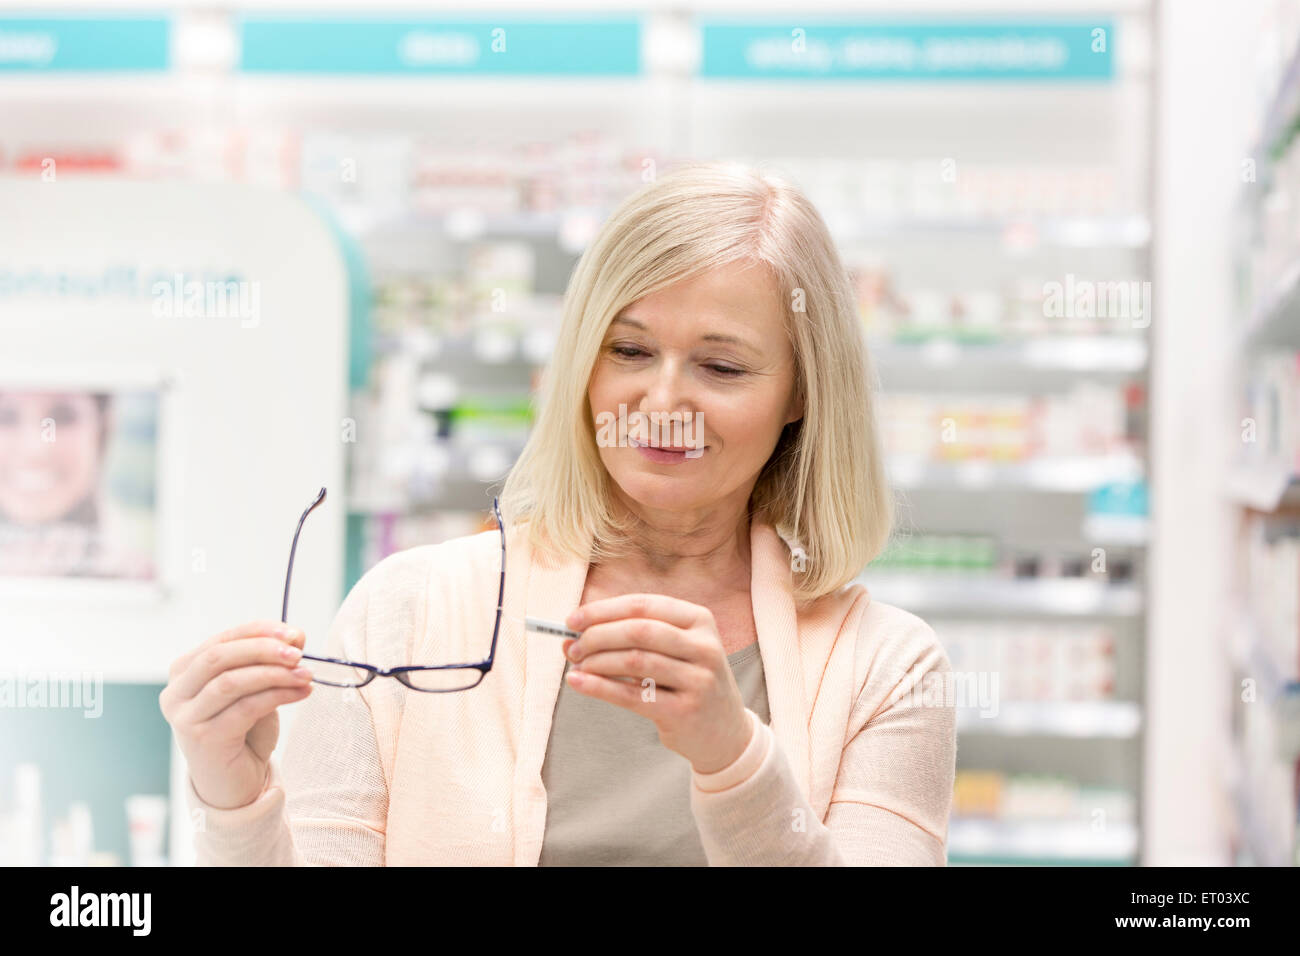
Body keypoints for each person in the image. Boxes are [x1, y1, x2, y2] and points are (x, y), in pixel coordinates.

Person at [160, 160, 956, 865]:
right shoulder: (411, 611)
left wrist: (734, 757)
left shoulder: (886, 669)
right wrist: (233, 797)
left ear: (802, 395)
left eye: (721, 365)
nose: (662, 399)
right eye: (629, 351)